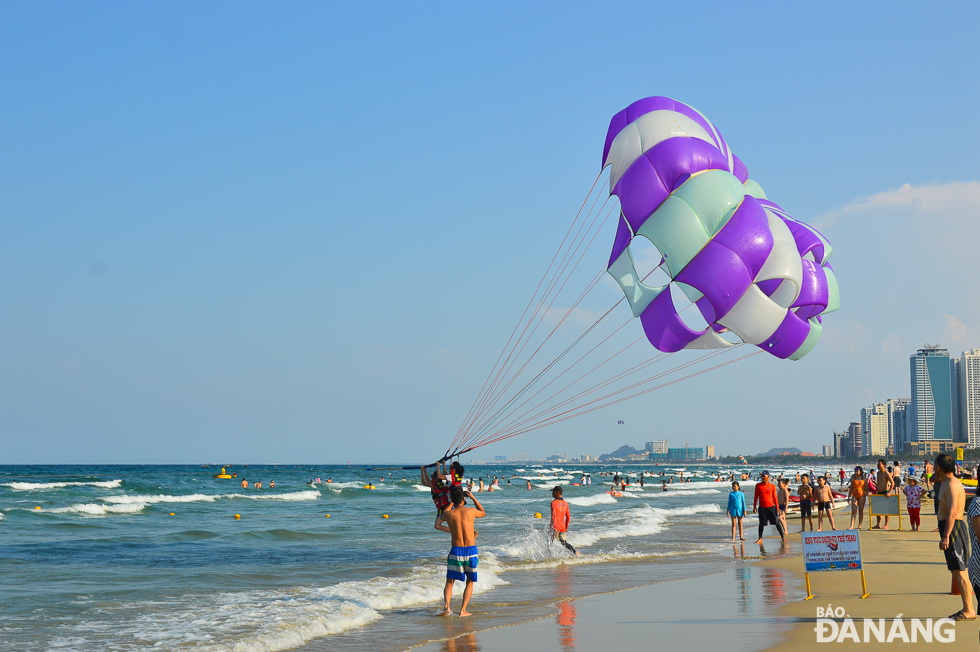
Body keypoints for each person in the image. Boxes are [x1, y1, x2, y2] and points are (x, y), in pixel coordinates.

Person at [933, 453, 976, 620]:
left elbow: (952, 513)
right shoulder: (944, 482)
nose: (934, 469)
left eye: (936, 466)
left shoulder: (952, 484)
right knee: (955, 569)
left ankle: (969, 610)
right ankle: (967, 608)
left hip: (954, 528)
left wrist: (946, 536)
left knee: (959, 570)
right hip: (947, 527)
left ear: (941, 467)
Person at [435, 487, 486, 617]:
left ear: (453, 499)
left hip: (456, 550)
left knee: (449, 581)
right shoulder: (471, 511)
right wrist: (473, 497)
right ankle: (463, 610)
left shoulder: (449, 514)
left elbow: (441, 517)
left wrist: (452, 502)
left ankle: (447, 607)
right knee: (470, 581)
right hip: (470, 550)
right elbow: (483, 512)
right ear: (464, 499)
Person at [752, 471, 785, 543]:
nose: (762, 477)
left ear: (768, 477)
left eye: (764, 476)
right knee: (761, 523)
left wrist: (777, 507)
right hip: (762, 507)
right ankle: (760, 538)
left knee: (776, 522)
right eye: (761, 476)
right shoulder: (758, 485)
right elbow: (756, 496)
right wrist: (754, 506)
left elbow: (775, 497)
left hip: (771, 507)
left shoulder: (772, 486)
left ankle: (782, 537)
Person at [548, 486, 578, 555]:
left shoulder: (553, 503)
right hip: (562, 527)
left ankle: (549, 556)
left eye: (553, 492)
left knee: (549, 541)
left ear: (557, 492)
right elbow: (568, 517)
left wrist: (554, 528)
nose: (552, 493)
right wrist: (566, 528)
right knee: (563, 542)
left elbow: (554, 516)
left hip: (555, 526)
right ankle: (575, 552)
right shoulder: (566, 503)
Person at [873, 459, 894, 529]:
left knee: (886, 509)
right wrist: (876, 490)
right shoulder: (878, 473)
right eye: (877, 464)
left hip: (885, 492)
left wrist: (889, 492)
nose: (878, 466)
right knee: (878, 509)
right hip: (878, 492)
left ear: (884, 465)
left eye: (879, 464)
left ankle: (886, 524)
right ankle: (878, 524)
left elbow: (892, 483)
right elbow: (878, 483)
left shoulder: (886, 473)